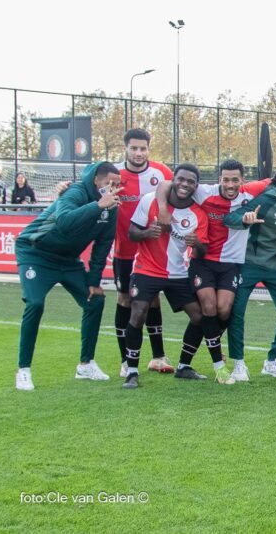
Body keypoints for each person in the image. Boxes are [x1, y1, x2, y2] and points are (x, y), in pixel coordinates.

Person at [153, 159, 270, 382]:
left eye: (235, 180)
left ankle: (185, 365)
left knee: (223, 311)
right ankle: (218, 367)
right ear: (219, 180)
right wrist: (162, 209)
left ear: (243, 180)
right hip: (203, 260)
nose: (230, 185)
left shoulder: (251, 191)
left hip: (231, 264)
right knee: (208, 307)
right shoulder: (204, 192)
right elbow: (166, 184)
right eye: (226, 180)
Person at [13, 162, 120, 391]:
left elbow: (103, 244)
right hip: (35, 253)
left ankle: (85, 365)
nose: (113, 189)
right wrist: (97, 205)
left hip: (68, 260)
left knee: (95, 300)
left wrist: (94, 282)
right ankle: (23, 369)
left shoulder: (112, 206)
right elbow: (64, 222)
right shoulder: (75, 192)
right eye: (109, 183)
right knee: (35, 303)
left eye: (117, 185)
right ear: (96, 181)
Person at [121, 164, 211, 389]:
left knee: (200, 317)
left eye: (190, 182)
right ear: (174, 180)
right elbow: (132, 233)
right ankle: (131, 372)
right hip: (146, 269)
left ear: (196, 186)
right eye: (181, 179)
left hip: (177, 273)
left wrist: (197, 244)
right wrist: (147, 233)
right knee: (138, 314)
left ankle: (184, 367)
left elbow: (202, 251)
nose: (185, 184)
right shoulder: (150, 200)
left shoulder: (198, 214)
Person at [224, 161, 276, 379]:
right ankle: (238, 364)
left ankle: (272, 361)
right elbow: (229, 218)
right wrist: (245, 219)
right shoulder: (265, 198)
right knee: (237, 311)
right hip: (249, 263)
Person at [113, 129, 174, 377]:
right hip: (125, 251)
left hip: (153, 252)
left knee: (153, 299)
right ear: (126, 148)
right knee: (125, 299)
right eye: (134, 148)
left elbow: (179, 188)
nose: (139, 153)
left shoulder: (161, 172)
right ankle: (125, 360)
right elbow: (90, 186)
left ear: (149, 148)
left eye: (143, 148)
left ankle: (158, 357)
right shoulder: (114, 174)